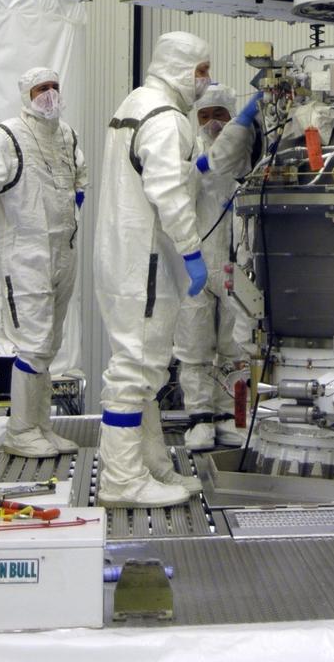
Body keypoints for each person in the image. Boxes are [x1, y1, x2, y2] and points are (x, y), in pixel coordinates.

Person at [95, 31, 256, 507]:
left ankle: (150, 467)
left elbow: (189, 173)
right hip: (143, 263)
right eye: (201, 70)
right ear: (181, 66)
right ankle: (121, 481)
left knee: (142, 371)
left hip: (127, 258)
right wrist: (190, 252)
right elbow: (168, 191)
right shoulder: (167, 120)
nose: (204, 81)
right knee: (134, 370)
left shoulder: (137, 103)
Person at [0, 68, 86, 457]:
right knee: (33, 344)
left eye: (55, 87)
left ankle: (40, 426)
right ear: (27, 94)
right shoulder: (7, 135)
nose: (50, 95)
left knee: (49, 345)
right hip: (27, 257)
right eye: (42, 89)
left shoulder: (67, 135)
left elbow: (79, 175)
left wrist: (78, 198)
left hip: (63, 254)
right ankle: (20, 431)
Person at [174, 82, 260, 451]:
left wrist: (245, 123)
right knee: (193, 347)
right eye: (205, 116)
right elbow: (195, 175)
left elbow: (231, 157)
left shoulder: (248, 149)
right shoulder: (189, 150)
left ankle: (231, 416)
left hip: (237, 266)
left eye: (220, 115)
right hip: (195, 263)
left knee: (236, 347)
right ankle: (200, 417)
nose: (212, 123)